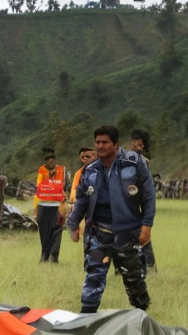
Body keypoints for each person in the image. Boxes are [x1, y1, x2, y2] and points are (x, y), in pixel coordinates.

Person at [66, 125, 155, 313]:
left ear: (115, 144)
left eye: (104, 142)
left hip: (128, 231)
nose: (100, 146)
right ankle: (86, 317)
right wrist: (73, 223)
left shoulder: (133, 163)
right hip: (98, 232)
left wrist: (146, 225)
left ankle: (142, 314)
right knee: (94, 275)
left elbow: (148, 196)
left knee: (133, 278)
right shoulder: (90, 171)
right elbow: (82, 199)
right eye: (97, 142)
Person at [130, 129, 158, 272]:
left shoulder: (145, 161)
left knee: (143, 234)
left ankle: (150, 265)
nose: (140, 148)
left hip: (140, 201)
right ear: (132, 143)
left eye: (142, 145)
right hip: (127, 202)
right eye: (138, 144)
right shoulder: (124, 159)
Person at [34, 149, 67, 262]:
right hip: (43, 204)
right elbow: (39, 186)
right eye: (48, 159)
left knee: (57, 229)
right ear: (45, 161)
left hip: (58, 205)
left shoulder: (62, 170)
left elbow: (66, 185)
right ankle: (44, 254)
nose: (51, 160)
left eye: (52, 158)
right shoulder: (41, 170)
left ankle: (54, 257)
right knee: (44, 230)